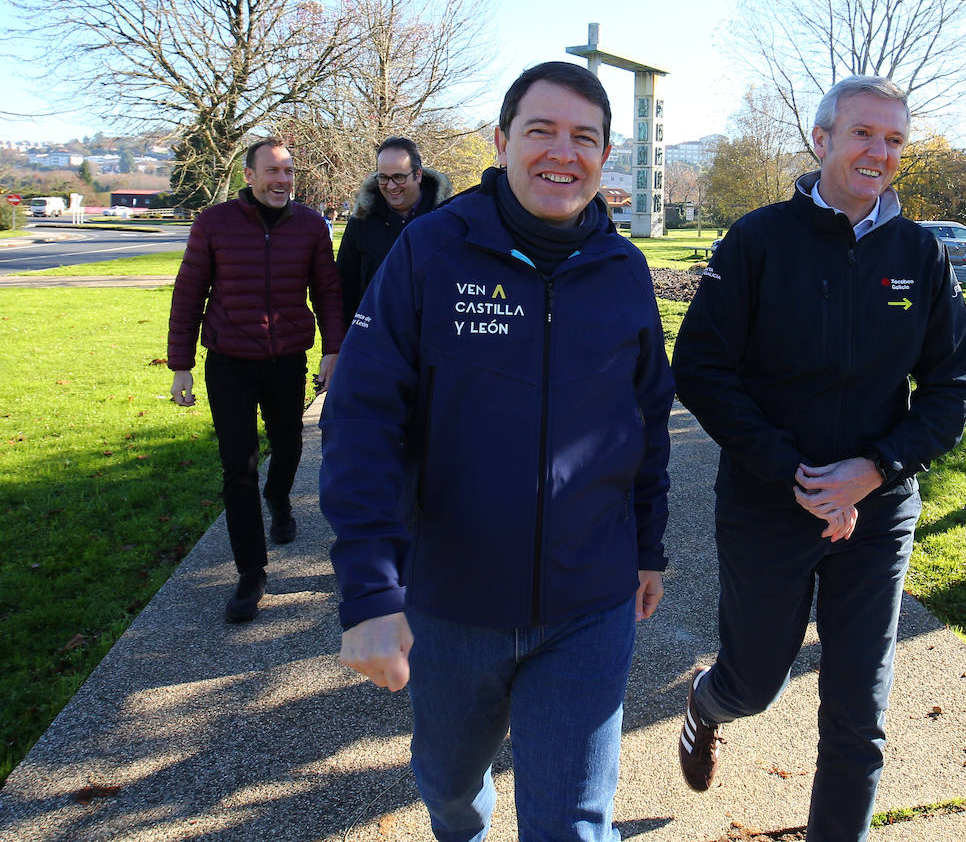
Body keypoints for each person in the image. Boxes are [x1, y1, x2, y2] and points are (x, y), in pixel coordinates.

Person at [320, 61, 674, 842]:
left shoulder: (624, 271)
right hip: (452, 603)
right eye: (541, 130)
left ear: (606, 154)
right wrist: (370, 589)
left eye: (585, 137)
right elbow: (363, 421)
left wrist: (648, 547)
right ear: (501, 140)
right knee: (451, 794)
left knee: (572, 827)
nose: (562, 152)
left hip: (590, 602)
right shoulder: (431, 252)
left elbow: (645, 420)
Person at [671, 76, 966, 841]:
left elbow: (953, 382)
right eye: (865, 135)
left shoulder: (919, 254)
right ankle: (708, 705)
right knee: (756, 685)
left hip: (877, 513)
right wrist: (794, 471)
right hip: (769, 505)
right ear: (822, 140)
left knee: (858, 714)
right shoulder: (757, 239)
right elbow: (703, 366)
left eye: (896, 140)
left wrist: (875, 469)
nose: (881, 152)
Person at [167, 138, 345, 624]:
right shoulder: (214, 224)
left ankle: (280, 497)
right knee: (238, 466)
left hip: (287, 358)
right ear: (249, 176)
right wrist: (179, 365)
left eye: (288, 171)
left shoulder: (310, 226)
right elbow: (188, 294)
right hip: (229, 361)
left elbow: (327, 292)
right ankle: (251, 572)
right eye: (272, 171)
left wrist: (334, 350)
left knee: (288, 445)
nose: (282, 180)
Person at [336, 136, 453, 322]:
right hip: (373, 338)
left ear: (418, 175)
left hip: (430, 338)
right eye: (383, 177)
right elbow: (343, 287)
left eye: (399, 177)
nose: (391, 186)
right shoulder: (361, 222)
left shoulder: (446, 222)